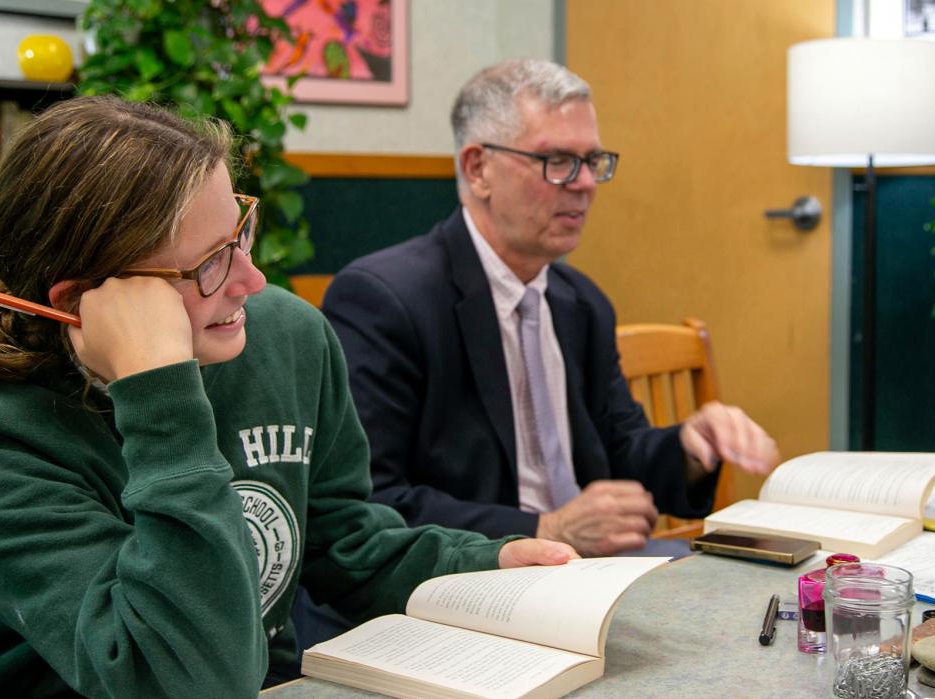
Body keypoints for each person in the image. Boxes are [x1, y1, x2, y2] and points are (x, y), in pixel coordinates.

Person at [0, 95, 576, 699]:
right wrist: (159, 392)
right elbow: (180, 683)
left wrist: (483, 562)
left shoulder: (286, 337)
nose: (253, 279)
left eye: (239, 232)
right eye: (208, 265)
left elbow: (338, 540)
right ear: (81, 303)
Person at [322, 59, 780, 558]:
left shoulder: (580, 302)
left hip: (588, 568)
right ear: (478, 169)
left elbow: (621, 452)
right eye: (558, 161)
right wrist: (544, 528)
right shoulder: (386, 299)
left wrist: (690, 448)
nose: (585, 184)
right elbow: (372, 505)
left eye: (592, 160)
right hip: (473, 576)